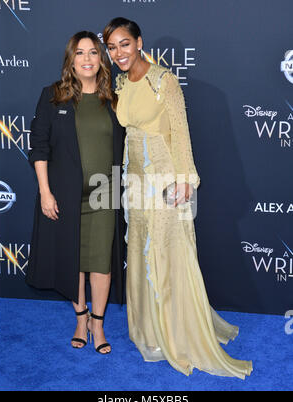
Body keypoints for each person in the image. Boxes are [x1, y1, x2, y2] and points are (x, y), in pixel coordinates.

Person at [103, 17, 253, 378]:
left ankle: (177, 330)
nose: (118, 53)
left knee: (168, 250)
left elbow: (181, 132)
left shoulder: (164, 80)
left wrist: (186, 181)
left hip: (164, 174)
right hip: (135, 177)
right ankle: (149, 331)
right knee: (141, 248)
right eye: (111, 47)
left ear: (139, 42)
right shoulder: (122, 81)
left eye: (124, 43)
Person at [26, 31, 125, 354]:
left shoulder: (114, 97)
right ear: (71, 59)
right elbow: (39, 147)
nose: (87, 59)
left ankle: (98, 324)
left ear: (102, 59)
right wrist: (45, 192)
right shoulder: (53, 96)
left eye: (93, 53)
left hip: (105, 191)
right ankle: (80, 319)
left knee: (100, 261)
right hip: (65, 194)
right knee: (74, 260)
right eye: (79, 53)